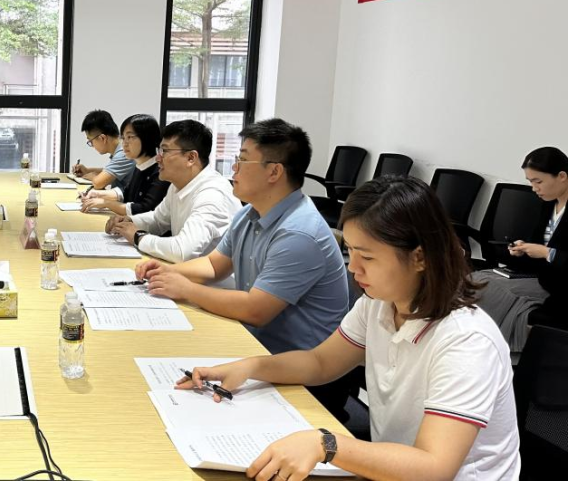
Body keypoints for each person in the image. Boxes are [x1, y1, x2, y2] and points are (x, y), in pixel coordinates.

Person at [177, 175, 520, 481]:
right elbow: (321, 362)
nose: (353, 268)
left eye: (367, 257)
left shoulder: (466, 341)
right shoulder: (379, 304)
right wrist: (250, 367)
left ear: (419, 257)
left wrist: (326, 444)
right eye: (351, 251)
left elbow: (434, 467)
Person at [136, 118, 349, 415]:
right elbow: (214, 265)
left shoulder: (299, 233)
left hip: (301, 374)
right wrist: (168, 272)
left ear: (274, 172)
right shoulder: (249, 213)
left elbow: (255, 310)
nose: (233, 168)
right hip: (256, 348)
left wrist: (186, 289)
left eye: (243, 160)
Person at [107, 120, 240, 262]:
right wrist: (129, 220)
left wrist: (138, 236)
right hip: (184, 271)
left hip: (206, 276)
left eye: (164, 151)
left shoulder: (212, 194)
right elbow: (158, 220)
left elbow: (182, 250)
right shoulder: (178, 184)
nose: (158, 158)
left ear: (191, 158)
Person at [476, 146, 568, 346]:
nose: (534, 188)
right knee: (476, 283)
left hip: (561, 288)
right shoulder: (549, 204)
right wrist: (523, 249)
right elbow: (539, 247)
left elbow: (549, 253)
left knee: (492, 295)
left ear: (562, 176)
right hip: (546, 279)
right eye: (531, 182)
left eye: (538, 181)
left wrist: (547, 253)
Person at [80, 114, 168, 217]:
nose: (124, 144)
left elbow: (145, 209)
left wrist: (106, 203)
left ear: (146, 138)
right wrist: (98, 194)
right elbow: (126, 193)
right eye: (123, 138)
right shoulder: (140, 166)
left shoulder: (160, 171)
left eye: (129, 137)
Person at [71, 109, 136, 191]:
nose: (92, 145)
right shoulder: (120, 148)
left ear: (102, 138)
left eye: (91, 141)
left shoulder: (124, 153)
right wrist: (87, 170)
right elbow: (109, 171)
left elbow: (98, 183)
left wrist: (95, 177)